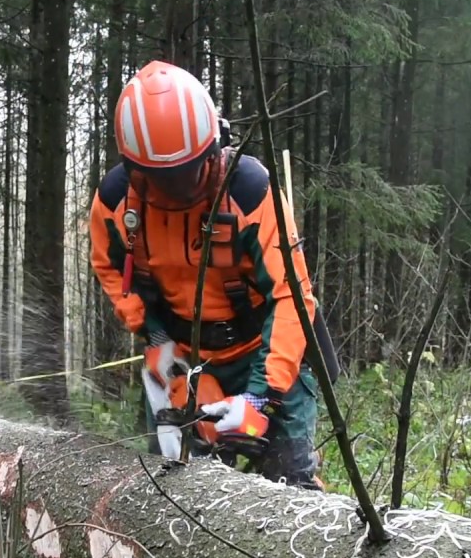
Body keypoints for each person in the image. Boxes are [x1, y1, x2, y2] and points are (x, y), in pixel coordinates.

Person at [87, 59, 329, 490]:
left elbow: (292, 297)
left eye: (185, 175)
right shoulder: (115, 203)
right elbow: (110, 268)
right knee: (168, 490)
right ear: (133, 168)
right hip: (184, 353)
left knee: (293, 489)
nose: (175, 190)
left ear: (213, 147)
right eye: (161, 179)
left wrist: (261, 397)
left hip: (265, 350)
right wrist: (157, 340)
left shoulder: (249, 193)